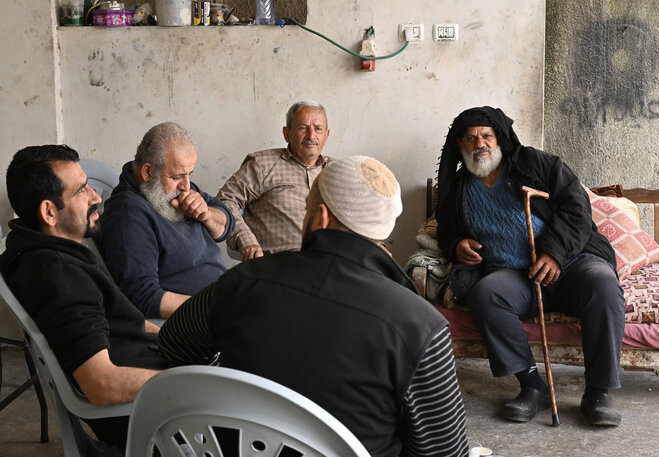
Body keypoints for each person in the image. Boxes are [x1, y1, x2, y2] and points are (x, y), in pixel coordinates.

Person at [159, 156, 469, 457]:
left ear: (320, 218)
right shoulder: (422, 327)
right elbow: (445, 450)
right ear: (382, 230)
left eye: (306, 209)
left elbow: (174, 345)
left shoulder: (239, 282)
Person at [436, 106, 625, 426]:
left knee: (604, 287)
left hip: (571, 263)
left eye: (486, 135)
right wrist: (457, 244)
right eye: (470, 138)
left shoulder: (536, 164)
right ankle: (531, 386)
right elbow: (445, 231)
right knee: (486, 294)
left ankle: (598, 392)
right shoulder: (456, 187)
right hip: (514, 274)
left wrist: (554, 254)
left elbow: (577, 210)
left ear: (499, 139)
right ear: (459, 146)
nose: (479, 143)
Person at [0, 145, 167, 454]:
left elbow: (129, 325)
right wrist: (199, 381)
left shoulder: (38, 250)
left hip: (161, 389)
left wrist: (186, 338)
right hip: (163, 422)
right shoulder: (59, 276)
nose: (96, 197)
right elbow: (101, 384)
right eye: (81, 190)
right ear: (49, 212)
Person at [96, 122, 234, 319]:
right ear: (148, 172)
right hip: (197, 318)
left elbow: (227, 225)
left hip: (224, 296)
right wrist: (214, 307)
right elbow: (141, 296)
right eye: (178, 176)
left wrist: (207, 214)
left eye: (190, 175)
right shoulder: (127, 214)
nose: (187, 186)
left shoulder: (177, 188)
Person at [217, 100, 332, 260]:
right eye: (302, 128)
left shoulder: (337, 171)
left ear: (326, 136)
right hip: (279, 266)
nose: (311, 136)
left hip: (330, 264)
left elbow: (357, 215)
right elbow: (225, 200)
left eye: (318, 129)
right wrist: (246, 240)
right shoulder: (262, 164)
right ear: (287, 133)